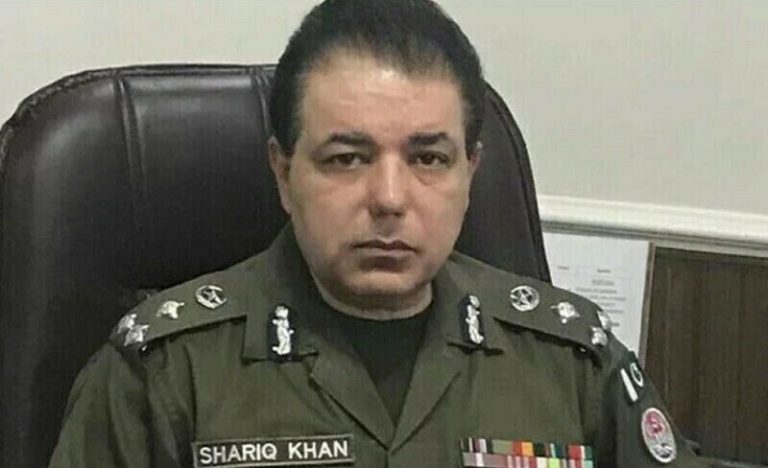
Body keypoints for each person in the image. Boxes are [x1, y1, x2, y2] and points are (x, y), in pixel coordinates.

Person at [48, 0, 705, 466]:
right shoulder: (162, 374)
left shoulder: (571, 361)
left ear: (470, 173)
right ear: (284, 172)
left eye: (429, 158)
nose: (389, 198)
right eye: (346, 158)